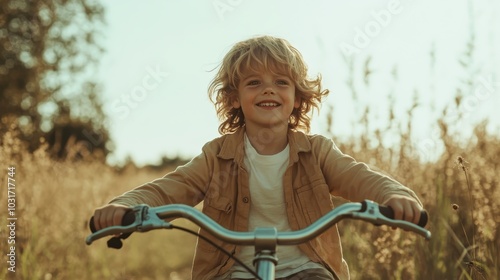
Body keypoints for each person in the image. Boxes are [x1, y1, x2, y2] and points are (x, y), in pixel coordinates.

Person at [92, 35, 424, 280]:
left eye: (281, 82)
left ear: (296, 98)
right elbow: (171, 188)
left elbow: (358, 176)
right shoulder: (216, 156)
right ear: (234, 99)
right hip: (233, 269)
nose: (268, 90)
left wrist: (394, 196)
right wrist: (126, 205)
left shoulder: (317, 152)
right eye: (254, 83)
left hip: (307, 268)